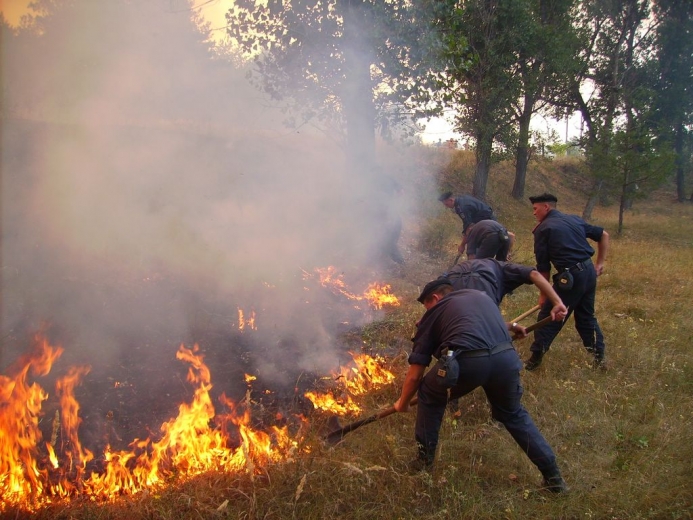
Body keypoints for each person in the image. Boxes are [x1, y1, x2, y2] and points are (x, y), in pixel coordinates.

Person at [393, 279, 568, 492]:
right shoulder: (479, 297)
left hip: (468, 362)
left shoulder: (436, 311)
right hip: (506, 358)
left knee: (428, 394)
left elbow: (415, 372)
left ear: (435, 298)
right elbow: (491, 323)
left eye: (426, 306)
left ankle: (423, 462)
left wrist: (402, 402)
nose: (425, 313)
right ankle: (553, 477)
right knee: (513, 414)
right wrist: (513, 326)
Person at [524, 193, 610, 371]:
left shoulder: (543, 229)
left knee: (549, 316)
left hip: (570, 278)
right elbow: (604, 235)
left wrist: (544, 295)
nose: (534, 213)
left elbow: (543, 268)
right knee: (586, 317)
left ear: (546, 207)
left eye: (535, 209)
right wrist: (599, 263)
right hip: (588, 272)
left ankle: (534, 359)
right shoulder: (573, 220)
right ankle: (599, 358)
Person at [438, 192, 495, 256]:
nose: (446, 207)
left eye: (446, 204)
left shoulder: (462, 208)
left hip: (487, 224)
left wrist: (462, 245)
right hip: (487, 220)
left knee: (472, 249)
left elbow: (470, 228)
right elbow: (467, 224)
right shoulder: (462, 200)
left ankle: (474, 263)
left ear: (451, 200)